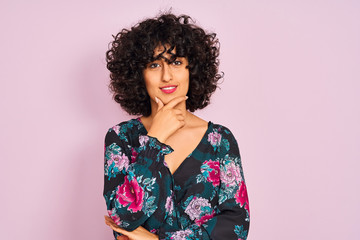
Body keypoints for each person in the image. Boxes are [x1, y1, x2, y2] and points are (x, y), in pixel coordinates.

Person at [103, 13, 250, 240]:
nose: (167, 75)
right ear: (138, 74)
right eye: (154, 65)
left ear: (193, 69)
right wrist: (154, 140)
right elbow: (122, 218)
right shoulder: (120, 138)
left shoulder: (221, 140)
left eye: (177, 62)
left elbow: (236, 227)